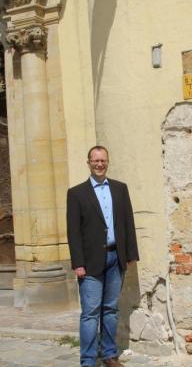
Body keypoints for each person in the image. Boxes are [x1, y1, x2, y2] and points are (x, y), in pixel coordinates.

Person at [67, 146, 140, 367]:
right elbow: (73, 231)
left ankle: (109, 354)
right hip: (89, 263)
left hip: (115, 259)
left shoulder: (120, 189)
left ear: (108, 162)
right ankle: (88, 360)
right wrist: (77, 263)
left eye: (103, 160)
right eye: (95, 160)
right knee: (90, 314)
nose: (99, 164)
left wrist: (130, 253)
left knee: (110, 309)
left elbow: (128, 222)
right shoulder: (77, 193)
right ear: (88, 163)